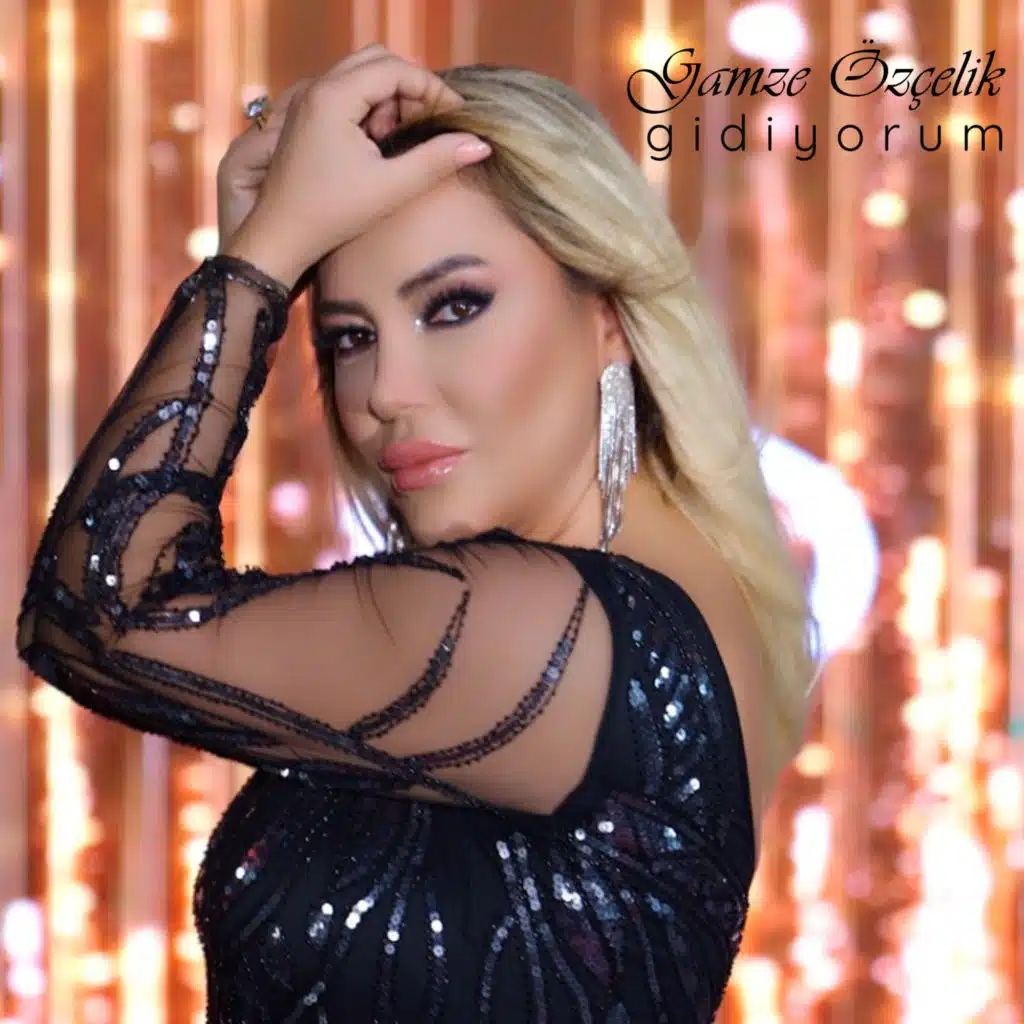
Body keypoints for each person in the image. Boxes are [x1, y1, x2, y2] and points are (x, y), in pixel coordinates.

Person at [17, 46, 819, 1023]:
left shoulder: (545, 625)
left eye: (455, 306)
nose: (385, 393)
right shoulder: (645, 604)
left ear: (608, 317)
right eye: (349, 337)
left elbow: (100, 612)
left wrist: (260, 260)